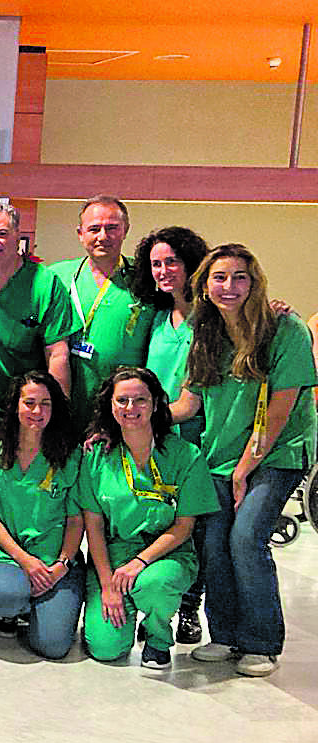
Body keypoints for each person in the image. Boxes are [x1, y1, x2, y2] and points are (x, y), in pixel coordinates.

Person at [174, 244, 316, 677]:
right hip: (220, 456)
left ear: (254, 283)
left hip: (277, 452)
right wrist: (137, 415)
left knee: (246, 538)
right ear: (205, 285)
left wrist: (245, 468)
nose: (229, 286)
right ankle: (226, 635)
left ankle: (261, 642)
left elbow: (280, 409)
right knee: (213, 542)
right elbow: (189, 403)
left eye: (240, 277)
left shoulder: (284, 329)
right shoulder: (206, 332)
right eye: (219, 277)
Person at [0, 203, 77, 616]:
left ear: (18, 237)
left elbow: (58, 353)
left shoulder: (43, 284)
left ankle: (40, 579)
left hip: (29, 415)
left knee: (29, 502)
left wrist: (54, 416)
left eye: (1, 234)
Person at [78, 365, 216, 670]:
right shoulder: (96, 456)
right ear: (110, 405)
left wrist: (140, 563)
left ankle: (157, 638)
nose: (131, 408)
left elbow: (183, 527)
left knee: (154, 584)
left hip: (166, 553)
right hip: (113, 556)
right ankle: (121, 617)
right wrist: (106, 584)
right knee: (105, 648)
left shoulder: (186, 456)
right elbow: (94, 527)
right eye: (122, 400)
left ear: (156, 403)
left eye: (140, 400)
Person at [134, 225, 211, 644]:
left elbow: (190, 404)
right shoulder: (159, 317)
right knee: (157, 524)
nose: (164, 271)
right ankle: (155, 606)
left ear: (191, 264)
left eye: (172, 262)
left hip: (192, 440)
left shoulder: (209, 318)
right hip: (157, 437)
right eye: (156, 264)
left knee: (191, 529)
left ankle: (187, 608)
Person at [0, 372, 86, 659]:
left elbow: (77, 519)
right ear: (15, 406)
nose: (37, 412)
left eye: (46, 404)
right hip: (11, 558)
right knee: (7, 596)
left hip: (58, 562)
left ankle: (44, 606)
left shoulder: (71, 457)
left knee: (53, 647)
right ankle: (15, 610)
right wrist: (26, 562)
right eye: (30, 403)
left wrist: (61, 565)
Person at [49, 196, 156, 426]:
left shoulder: (146, 279)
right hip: (66, 401)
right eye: (94, 229)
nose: (103, 236)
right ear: (80, 233)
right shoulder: (56, 276)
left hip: (125, 408)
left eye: (112, 228)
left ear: (126, 230)